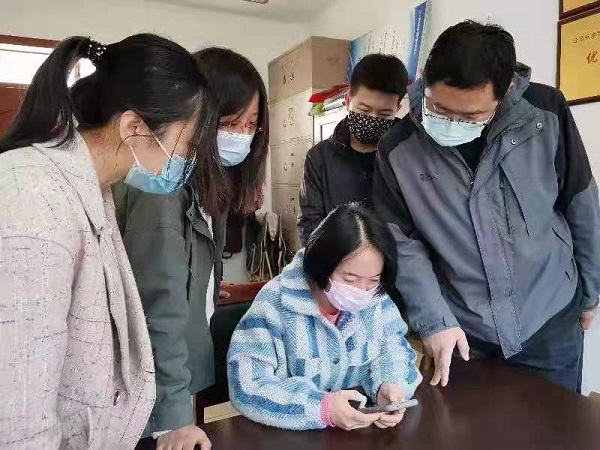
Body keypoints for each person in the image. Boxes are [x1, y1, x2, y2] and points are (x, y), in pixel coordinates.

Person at [0, 34, 223, 448]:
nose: (188, 162)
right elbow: (18, 418)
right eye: (187, 145)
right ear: (134, 127)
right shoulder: (31, 197)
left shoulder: (92, 189)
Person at [373, 21, 600, 393]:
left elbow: (581, 203)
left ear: (506, 90)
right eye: (439, 108)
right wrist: (434, 321)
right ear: (425, 78)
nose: (451, 124)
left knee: (555, 425)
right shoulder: (398, 149)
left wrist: (591, 293)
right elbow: (404, 245)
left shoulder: (544, 113)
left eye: (470, 117)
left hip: (550, 318)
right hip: (464, 332)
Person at [114, 47, 268, 450]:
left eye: (251, 125)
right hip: (150, 395)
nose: (241, 135)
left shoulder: (205, 182)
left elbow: (177, 274)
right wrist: (175, 417)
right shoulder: (160, 185)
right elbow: (156, 305)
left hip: (176, 376)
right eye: (230, 122)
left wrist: (204, 286)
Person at [228, 203, 422, 431]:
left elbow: (394, 349)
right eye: (350, 280)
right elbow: (247, 385)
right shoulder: (274, 304)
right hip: (287, 437)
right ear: (322, 265)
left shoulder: (376, 300)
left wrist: (387, 385)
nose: (362, 291)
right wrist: (321, 408)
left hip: (355, 435)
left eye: (373, 280)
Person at [298, 54, 408, 244]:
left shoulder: (407, 154)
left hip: (397, 258)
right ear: (348, 100)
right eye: (364, 110)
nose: (372, 119)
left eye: (384, 114)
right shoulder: (319, 158)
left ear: (398, 108)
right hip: (337, 259)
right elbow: (310, 226)